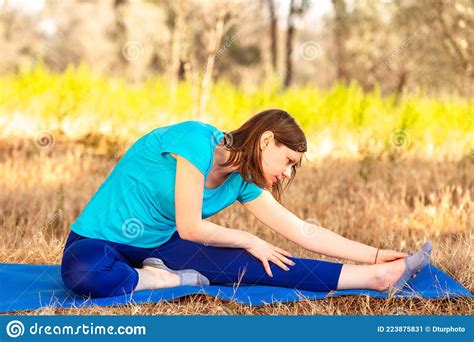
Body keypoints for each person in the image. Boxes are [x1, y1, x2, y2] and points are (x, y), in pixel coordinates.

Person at [61, 109, 431, 298]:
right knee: (84, 273)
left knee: (263, 264)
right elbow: (190, 227)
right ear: (266, 141)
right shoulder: (194, 140)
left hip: (162, 245)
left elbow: (303, 232)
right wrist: (248, 237)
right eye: (288, 162)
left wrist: (376, 255)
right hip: (99, 239)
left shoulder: (242, 181)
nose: (287, 174)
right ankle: (161, 278)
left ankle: (376, 279)